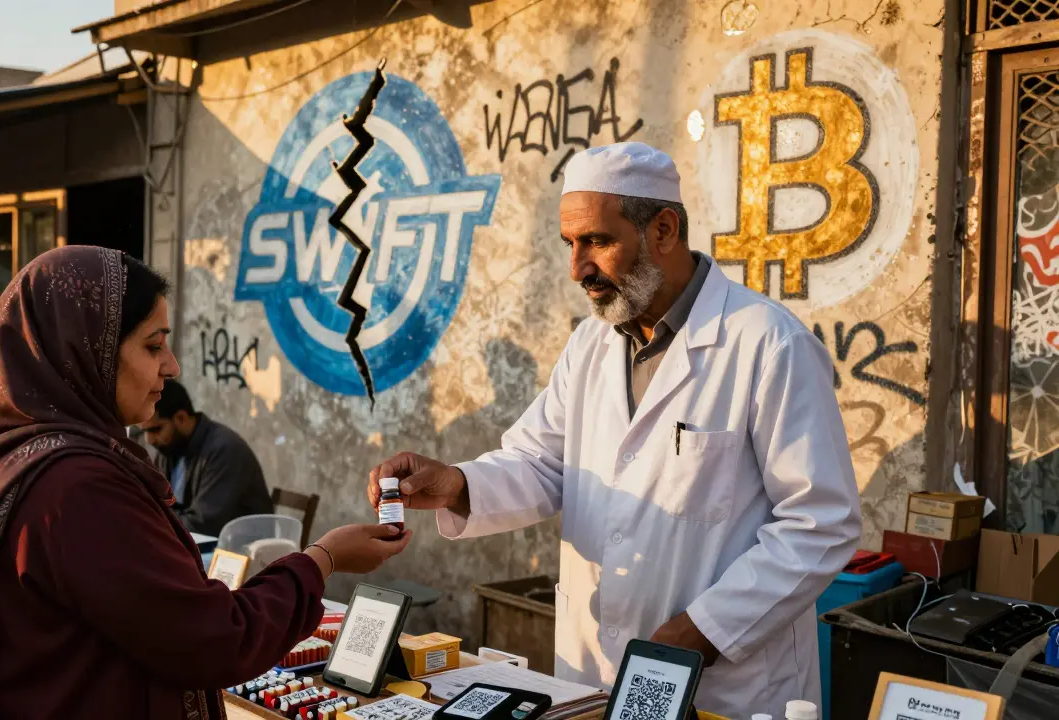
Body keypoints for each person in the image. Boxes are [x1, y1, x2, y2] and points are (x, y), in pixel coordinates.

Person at [368, 143, 861, 718]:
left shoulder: (767, 344)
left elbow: (819, 522)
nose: (578, 268)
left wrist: (705, 629)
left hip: (728, 687)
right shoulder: (591, 344)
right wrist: (456, 484)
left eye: (597, 242)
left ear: (664, 230)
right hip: (594, 671)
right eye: (570, 245)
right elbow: (541, 462)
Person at [0, 247, 411, 720]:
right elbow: (216, 639)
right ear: (87, 352)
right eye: (153, 346)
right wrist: (323, 560)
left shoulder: (8, 454)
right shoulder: (77, 487)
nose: (171, 366)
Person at [140, 379, 275, 536]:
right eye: (144, 431)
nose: (149, 440)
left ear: (181, 418)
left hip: (242, 547)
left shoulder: (224, 450)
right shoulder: (169, 448)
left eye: (155, 429)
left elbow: (202, 525)